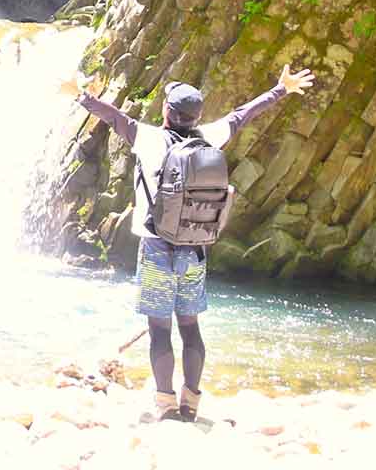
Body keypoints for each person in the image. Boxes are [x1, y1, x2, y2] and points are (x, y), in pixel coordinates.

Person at [61, 63, 315, 422]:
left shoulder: (149, 139)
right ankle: (191, 403)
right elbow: (242, 116)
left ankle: (165, 402)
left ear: (167, 111)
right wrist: (281, 88)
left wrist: (79, 93)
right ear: (195, 116)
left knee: (159, 328)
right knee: (190, 327)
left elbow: (113, 117)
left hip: (155, 246)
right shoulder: (209, 137)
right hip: (195, 249)